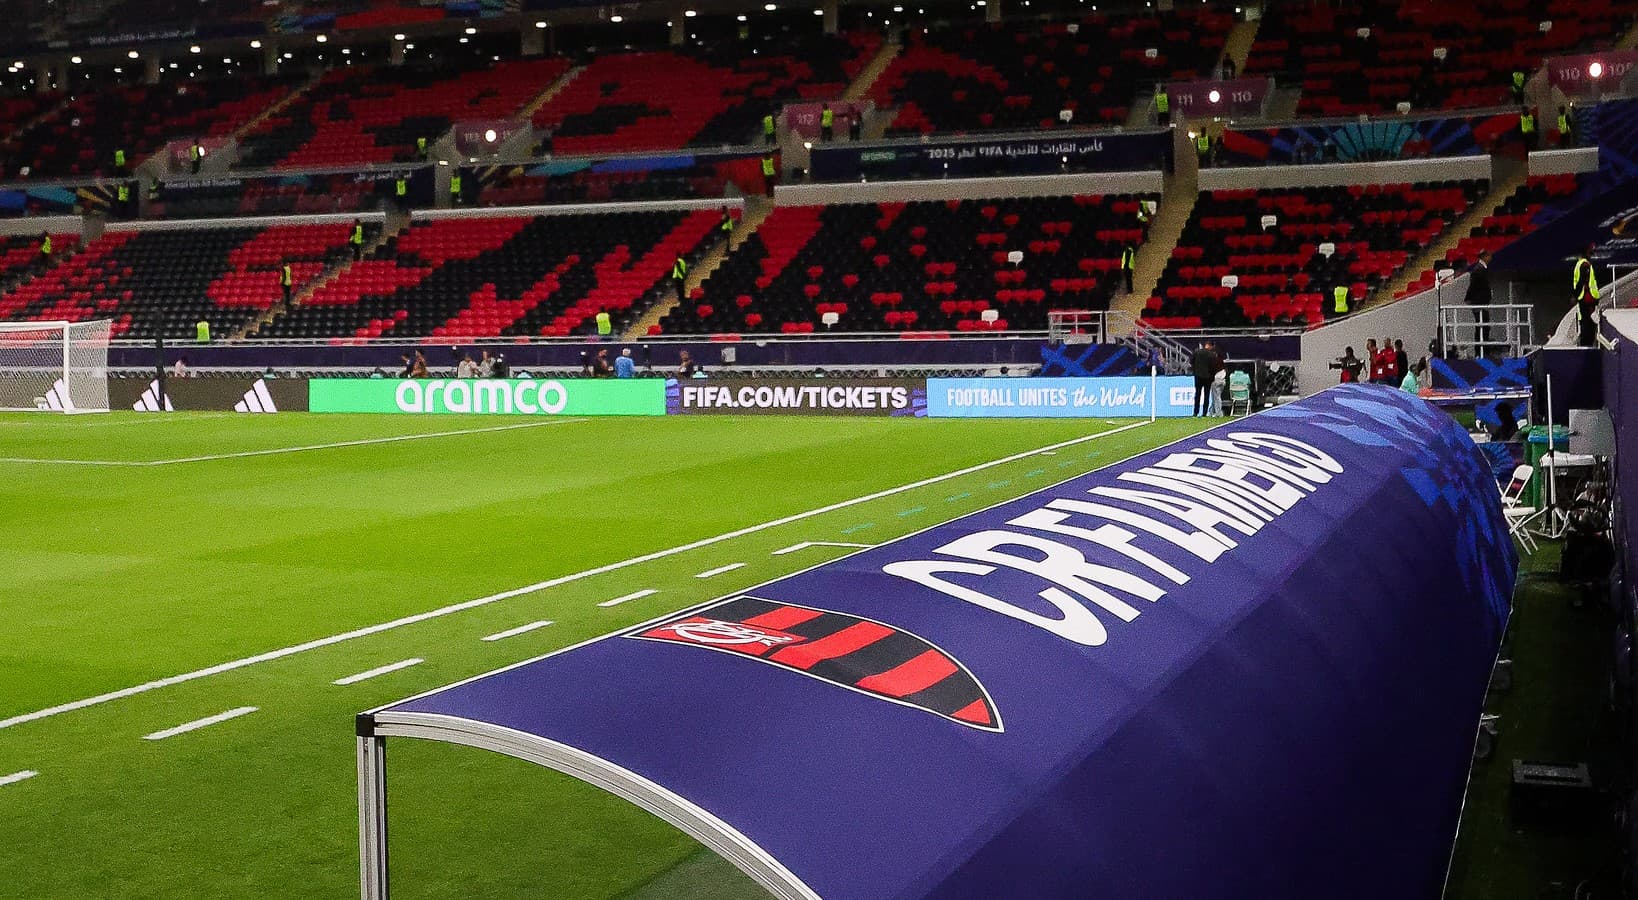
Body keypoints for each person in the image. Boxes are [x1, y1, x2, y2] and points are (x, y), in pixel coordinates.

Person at [1573, 243, 1600, 347]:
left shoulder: (1580, 264)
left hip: (1585, 300)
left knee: (1586, 324)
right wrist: (1575, 296)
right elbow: (1582, 281)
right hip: (1587, 300)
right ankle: (1586, 347)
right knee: (1588, 327)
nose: (1592, 254)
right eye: (1590, 251)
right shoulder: (1585, 265)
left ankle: (1586, 345)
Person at [1467, 249, 1492, 349]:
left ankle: (1483, 349)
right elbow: (1473, 285)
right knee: (1482, 326)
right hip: (1479, 303)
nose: (1491, 257)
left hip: (1482, 302)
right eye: (1489, 255)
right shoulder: (1478, 269)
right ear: (1485, 257)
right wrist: (1469, 298)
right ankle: (1481, 350)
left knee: (1484, 326)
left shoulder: (1481, 269)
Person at [1190, 341, 1217, 417]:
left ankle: (1195, 412)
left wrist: (1195, 371)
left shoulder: (1197, 352)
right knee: (1206, 395)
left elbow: (1191, 362)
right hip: (1208, 377)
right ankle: (1204, 413)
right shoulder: (1212, 355)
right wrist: (1212, 377)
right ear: (1210, 346)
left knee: (1197, 394)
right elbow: (1213, 367)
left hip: (1198, 376)